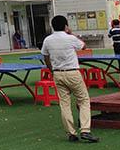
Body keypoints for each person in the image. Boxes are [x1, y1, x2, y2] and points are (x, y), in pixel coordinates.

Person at [41, 15, 99, 143]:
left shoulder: (48, 40)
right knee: (83, 100)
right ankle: (85, 130)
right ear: (65, 25)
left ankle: (71, 133)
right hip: (72, 72)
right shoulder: (70, 38)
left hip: (57, 73)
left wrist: (51, 70)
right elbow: (84, 46)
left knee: (65, 104)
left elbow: (45, 56)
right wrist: (71, 33)